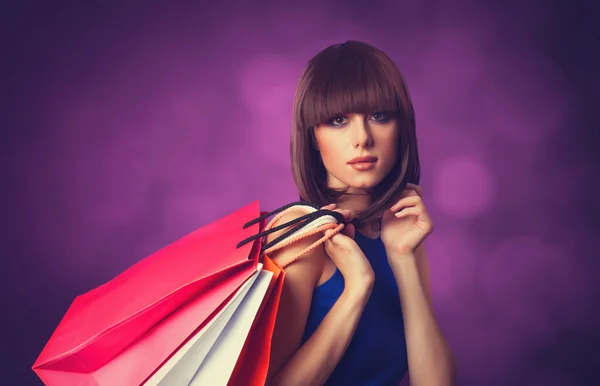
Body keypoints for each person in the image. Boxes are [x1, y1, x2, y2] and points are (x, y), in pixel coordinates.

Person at [264, 41, 456, 386]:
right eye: (338, 120)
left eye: (379, 116)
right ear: (312, 137)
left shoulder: (403, 228)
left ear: (401, 126)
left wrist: (402, 258)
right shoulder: (300, 233)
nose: (362, 138)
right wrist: (356, 288)